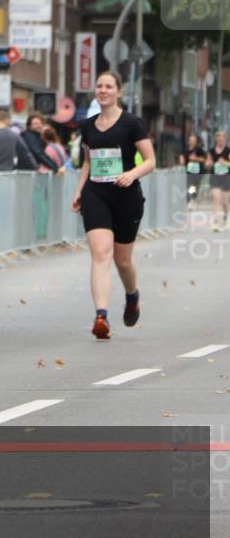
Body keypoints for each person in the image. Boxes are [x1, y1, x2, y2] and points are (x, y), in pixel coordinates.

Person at [70, 71, 155, 339]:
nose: (103, 90)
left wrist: (132, 174)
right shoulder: (87, 125)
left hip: (126, 196)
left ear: (118, 91)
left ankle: (132, 296)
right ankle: (101, 317)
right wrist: (79, 190)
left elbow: (151, 161)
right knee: (100, 253)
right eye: (99, 86)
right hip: (96, 193)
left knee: (123, 260)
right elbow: (88, 161)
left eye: (108, 86)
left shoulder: (132, 123)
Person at [209, 130, 229, 229]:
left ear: (225, 140)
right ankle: (215, 221)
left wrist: (225, 163)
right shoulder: (212, 151)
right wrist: (208, 164)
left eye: (222, 140)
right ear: (216, 140)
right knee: (216, 198)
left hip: (226, 178)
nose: (220, 141)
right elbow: (208, 162)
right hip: (215, 177)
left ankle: (225, 217)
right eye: (219, 139)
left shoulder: (228, 151)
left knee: (224, 202)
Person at [185, 132, 209, 206]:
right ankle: (189, 199)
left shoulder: (199, 150)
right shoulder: (186, 150)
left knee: (195, 186)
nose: (191, 141)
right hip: (188, 171)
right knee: (190, 185)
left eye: (193, 140)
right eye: (190, 140)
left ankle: (192, 198)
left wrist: (195, 159)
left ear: (196, 141)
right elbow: (184, 159)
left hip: (198, 171)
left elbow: (205, 159)